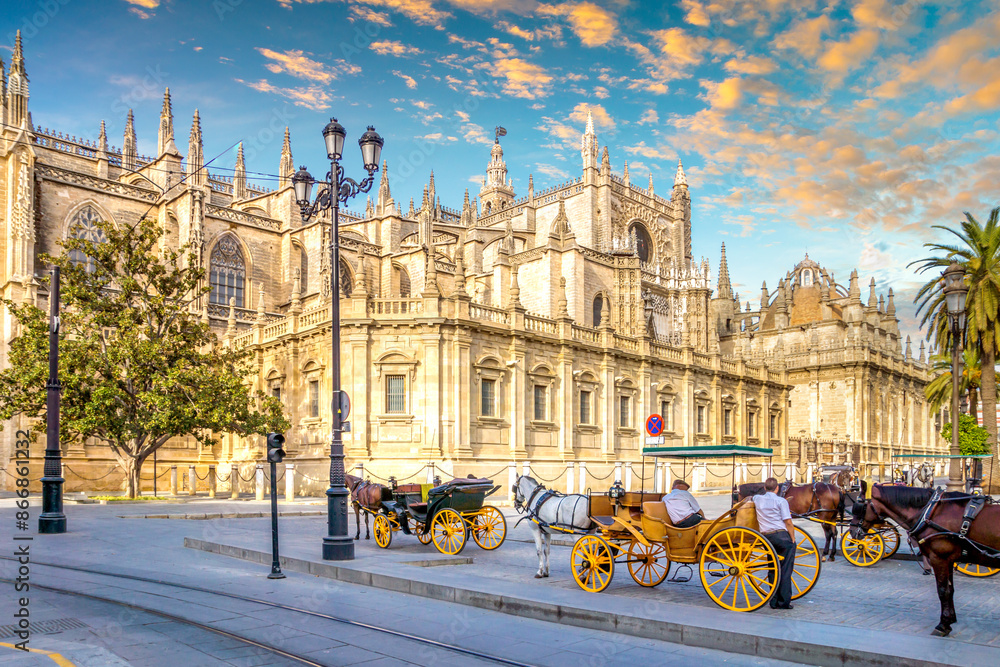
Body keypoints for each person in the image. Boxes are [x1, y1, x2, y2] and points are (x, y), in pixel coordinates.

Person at [754, 477, 796, 610]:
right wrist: (792, 538)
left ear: (765, 488)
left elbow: (750, 498)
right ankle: (783, 601)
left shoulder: (757, 499)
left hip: (766, 538)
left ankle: (774, 600)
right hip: (781, 536)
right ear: (777, 488)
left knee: (773, 568)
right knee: (785, 570)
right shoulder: (781, 501)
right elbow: (788, 522)